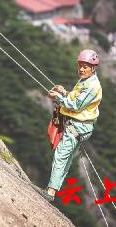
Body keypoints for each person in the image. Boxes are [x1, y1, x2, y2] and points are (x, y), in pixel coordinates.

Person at [34, 49, 102, 202]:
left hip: (77, 127)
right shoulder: (86, 81)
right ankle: (53, 190)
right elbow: (75, 97)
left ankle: (50, 192)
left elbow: (76, 105)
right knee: (66, 158)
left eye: (85, 66)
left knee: (61, 155)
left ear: (93, 68)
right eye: (80, 66)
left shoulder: (92, 86)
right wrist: (64, 92)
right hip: (80, 127)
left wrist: (57, 97)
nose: (82, 69)